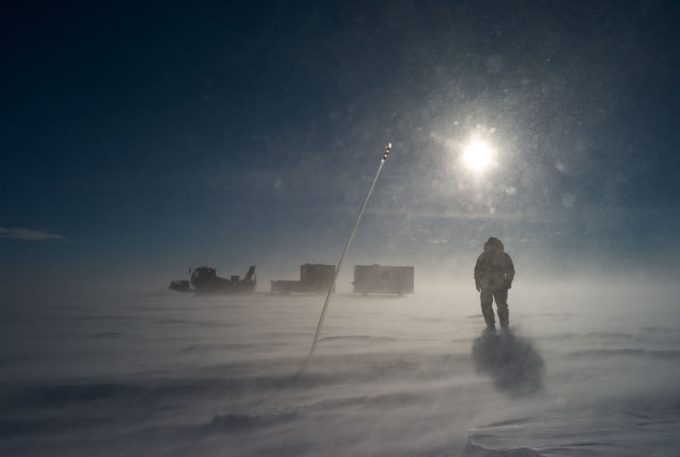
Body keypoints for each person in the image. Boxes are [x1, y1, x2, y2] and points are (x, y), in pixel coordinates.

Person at [474, 237, 515, 329]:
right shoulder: (483, 257)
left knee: (501, 306)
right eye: (489, 246)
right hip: (487, 285)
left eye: (493, 246)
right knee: (486, 305)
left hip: (500, 285)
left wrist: (508, 282)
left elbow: (510, 271)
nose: (490, 248)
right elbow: (477, 270)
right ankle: (491, 326)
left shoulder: (503, 256)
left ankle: (503, 326)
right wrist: (477, 282)